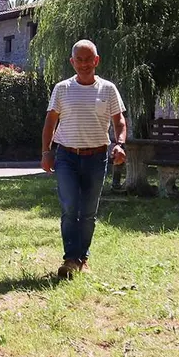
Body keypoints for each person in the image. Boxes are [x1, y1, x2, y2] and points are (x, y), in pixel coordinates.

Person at [40, 39, 127, 278]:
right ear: (72, 62)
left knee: (88, 212)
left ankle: (83, 258)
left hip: (97, 157)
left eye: (88, 59)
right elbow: (50, 122)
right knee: (70, 208)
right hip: (66, 156)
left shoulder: (108, 89)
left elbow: (119, 121)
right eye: (79, 60)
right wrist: (47, 152)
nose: (84, 64)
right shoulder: (62, 89)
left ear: (96, 61)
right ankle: (70, 259)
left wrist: (119, 144)